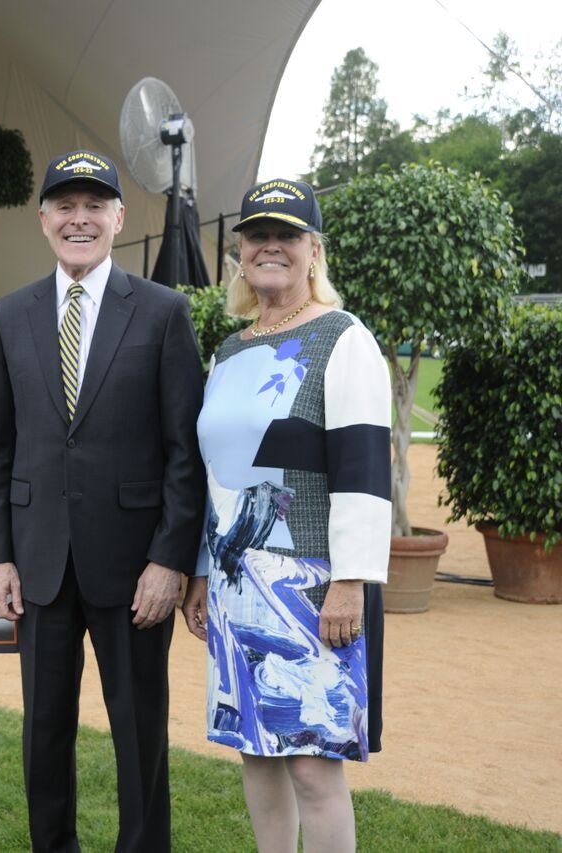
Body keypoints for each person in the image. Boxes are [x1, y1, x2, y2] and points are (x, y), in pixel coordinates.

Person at [0, 149, 206, 852]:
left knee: (139, 731)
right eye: (65, 206)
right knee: (44, 731)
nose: (79, 218)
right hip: (41, 564)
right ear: (44, 218)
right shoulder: (11, 315)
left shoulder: (165, 312)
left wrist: (169, 559)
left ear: (118, 217)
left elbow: (184, 452)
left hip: (135, 569)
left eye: (94, 206)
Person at [181, 179, 389, 853]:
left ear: (313, 250)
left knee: (310, 763)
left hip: (312, 584)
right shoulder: (229, 350)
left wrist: (352, 579)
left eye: (288, 234)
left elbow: (362, 465)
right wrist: (203, 573)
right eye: (257, 234)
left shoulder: (343, 338)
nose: (271, 245)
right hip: (237, 583)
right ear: (240, 252)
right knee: (257, 749)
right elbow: (217, 476)